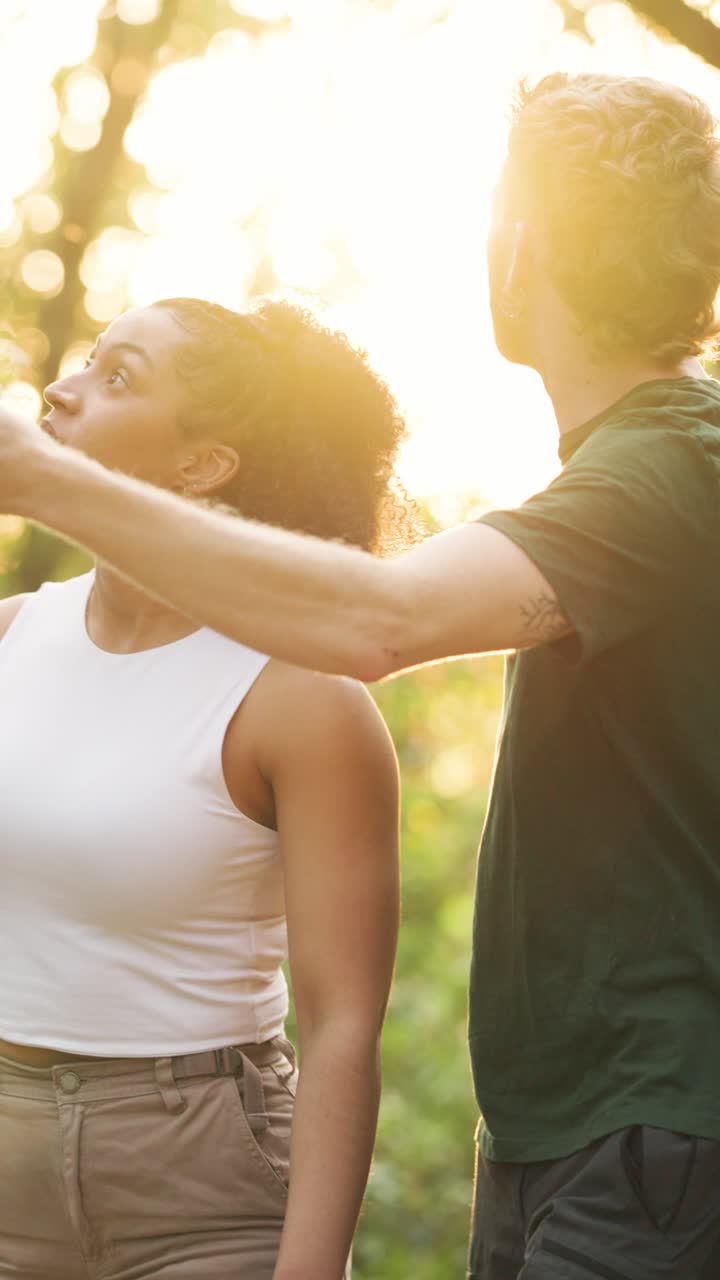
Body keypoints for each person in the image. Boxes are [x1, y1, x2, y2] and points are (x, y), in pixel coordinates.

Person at [3, 71, 720, 1277]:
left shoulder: (671, 469)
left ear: (524, 243)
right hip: (575, 1132)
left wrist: (50, 478)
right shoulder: (628, 474)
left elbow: (379, 618)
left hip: (653, 1129)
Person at [0, 297, 403, 1280]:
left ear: (202, 464)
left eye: (119, 376)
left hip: (205, 1192)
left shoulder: (303, 696)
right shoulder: (10, 634)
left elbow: (343, 1026)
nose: (64, 387)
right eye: (85, 361)